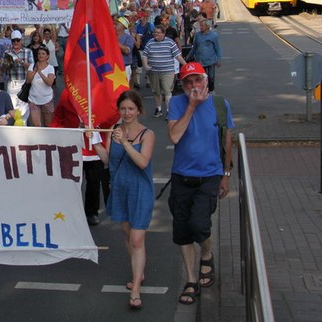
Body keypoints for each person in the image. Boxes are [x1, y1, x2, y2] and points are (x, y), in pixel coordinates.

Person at [167, 62, 234, 306]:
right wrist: (191, 107)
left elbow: (227, 139)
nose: (193, 86)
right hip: (182, 175)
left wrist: (226, 173)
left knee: (200, 224)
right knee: (183, 230)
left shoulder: (219, 104)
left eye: (197, 80)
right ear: (182, 85)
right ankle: (191, 279)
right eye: (187, 82)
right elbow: (174, 135)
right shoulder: (176, 103)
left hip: (209, 175)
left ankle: (206, 254)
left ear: (206, 81)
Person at [93, 90, 155, 310]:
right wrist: (95, 144)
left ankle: (136, 288)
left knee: (137, 239)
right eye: (123, 109)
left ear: (139, 110)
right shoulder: (113, 131)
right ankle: (139, 272)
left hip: (140, 191)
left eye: (131, 109)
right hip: (120, 189)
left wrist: (126, 143)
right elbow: (109, 161)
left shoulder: (147, 134)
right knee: (129, 236)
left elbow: (142, 162)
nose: (127, 113)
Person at [141, 26, 186, 118]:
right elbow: (144, 55)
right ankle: (159, 109)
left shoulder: (170, 42)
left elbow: (177, 56)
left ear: (163, 34)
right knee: (156, 91)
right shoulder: (150, 43)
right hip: (153, 71)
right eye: (154, 32)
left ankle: (169, 111)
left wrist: (186, 65)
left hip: (167, 71)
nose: (155, 34)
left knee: (167, 91)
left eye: (158, 33)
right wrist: (146, 65)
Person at [3, 30, 33, 123]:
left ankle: (23, 129)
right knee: (12, 109)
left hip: (24, 83)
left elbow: (32, 67)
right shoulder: (7, 52)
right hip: (12, 83)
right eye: (13, 40)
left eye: (17, 40)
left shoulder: (28, 51)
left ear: (21, 40)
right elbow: (2, 70)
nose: (16, 42)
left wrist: (21, 62)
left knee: (24, 111)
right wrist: (7, 64)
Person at [187, 19, 221, 92]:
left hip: (210, 60)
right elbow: (195, 47)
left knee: (211, 77)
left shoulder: (213, 35)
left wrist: (219, 59)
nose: (200, 27)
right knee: (202, 77)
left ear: (207, 26)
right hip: (200, 60)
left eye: (202, 26)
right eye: (200, 25)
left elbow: (217, 48)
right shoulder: (198, 35)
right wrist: (189, 56)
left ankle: (211, 91)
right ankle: (204, 90)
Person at [26, 46, 56, 127]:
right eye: (39, 53)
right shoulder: (32, 66)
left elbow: (50, 82)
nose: (41, 55)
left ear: (47, 56)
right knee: (37, 125)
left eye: (43, 54)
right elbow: (28, 80)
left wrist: (40, 72)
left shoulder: (51, 68)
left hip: (47, 99)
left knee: (48, 124)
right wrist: (35, 70)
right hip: (33, 99)